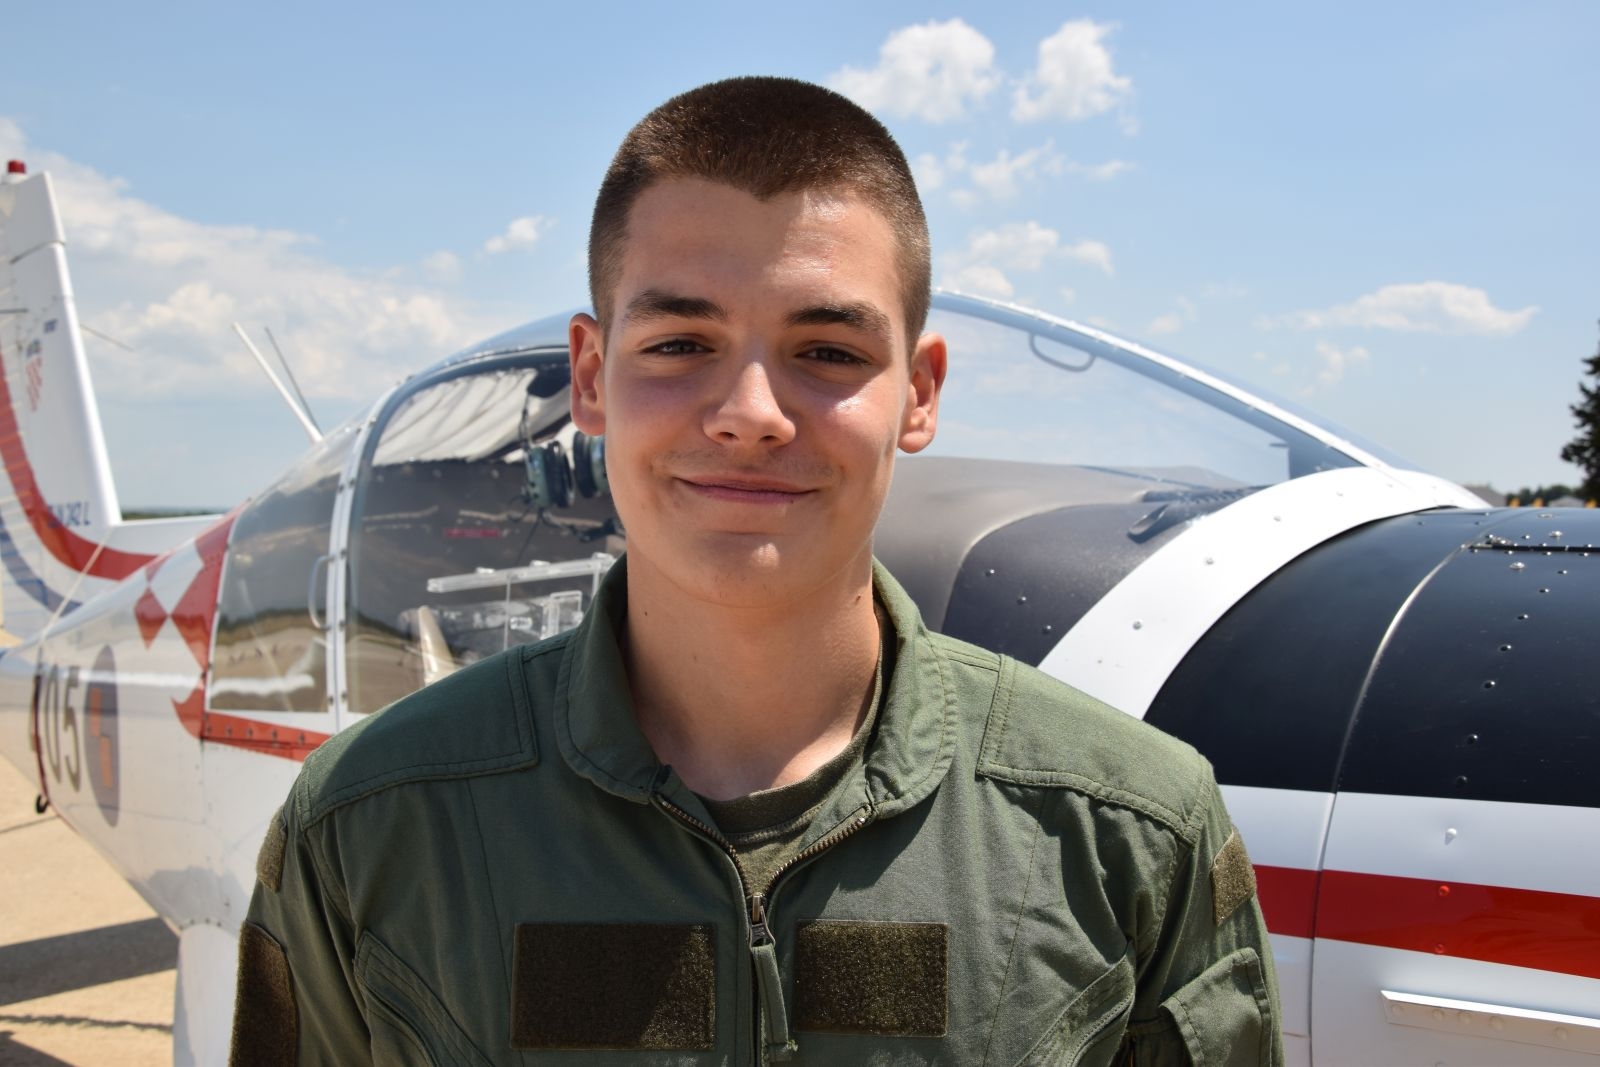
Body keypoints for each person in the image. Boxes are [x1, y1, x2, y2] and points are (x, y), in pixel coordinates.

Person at [230, 76, 1283, 1066]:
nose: (750, 414)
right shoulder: (370, 826)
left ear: (919, 393)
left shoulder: (1129, 832)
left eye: (827, 352)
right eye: (680, 343)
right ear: (591, 377)